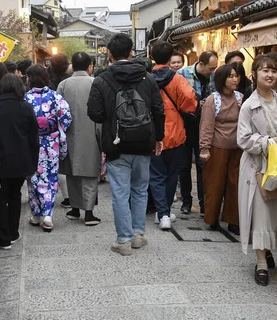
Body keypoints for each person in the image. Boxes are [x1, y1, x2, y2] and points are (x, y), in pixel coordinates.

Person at [87, 33, 165, 255]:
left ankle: (123, 241)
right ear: (131, 53)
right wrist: (159, 137)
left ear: (109, 53)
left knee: (120, 192)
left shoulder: (101, 80)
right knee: (140, 189)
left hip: (116, 144)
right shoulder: (147, 78)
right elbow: (159, 110)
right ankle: (138, 235)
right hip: (143, 142)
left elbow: (94, 113)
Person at [237, 55, 277, 287]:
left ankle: (267, 249)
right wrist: (269, 142)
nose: (270, 75)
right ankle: (261, 262)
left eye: (273, 70)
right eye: (264, 71)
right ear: (254, 75)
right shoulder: (248, 105)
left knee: (275, 212)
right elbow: (242, 139)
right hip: (256, 166)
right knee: (260, 213)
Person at [0, 74, 39, 249]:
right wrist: (33, 164)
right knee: (15, 196)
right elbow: (34, 139)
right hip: (21, 161)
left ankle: (4, 238)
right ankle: (14, 232)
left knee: (0, 198)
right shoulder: (26, 108)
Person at [150, 41, 196, 230]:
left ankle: (162, 213)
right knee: (171, 175)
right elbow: (190, 101)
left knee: (156, 176)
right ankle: (165, 212)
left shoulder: (146, 79)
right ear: (170, 59)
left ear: (153, 57)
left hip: (153, 134)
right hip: (176, 133)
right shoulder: (177, 79)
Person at [57, 52, 102, 226]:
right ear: (90, 66)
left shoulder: (63, 85)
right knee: (90, 172)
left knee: (72, 172)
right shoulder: (95, 83)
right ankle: (89, 213)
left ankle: (75, 209)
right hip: (92, 131)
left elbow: (57, 110)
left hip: (69, 133)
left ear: (72, 66)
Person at [25, 64, 72, 232]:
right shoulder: (54, 96)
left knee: (33, 177)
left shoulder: (25, 98)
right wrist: (54, 126)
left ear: (29, 78)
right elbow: (66, 117)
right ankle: (47, 215)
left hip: (31, 142)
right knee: (51, 177)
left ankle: (36, 214)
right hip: (51, 142)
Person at [199, 65, 242, 235]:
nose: (234, 79)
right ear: (221, 79)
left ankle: (233, 220)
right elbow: (207, 126)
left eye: (236, 76)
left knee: (235, 185)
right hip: (217, 148)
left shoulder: (240, 98)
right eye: (230, 76)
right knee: (215, 184)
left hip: (238, 148)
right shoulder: (213, 100)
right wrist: (204, 148)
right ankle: (212, 218)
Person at [177, 51, 218, 215]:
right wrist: (195, 105)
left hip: (205, 127)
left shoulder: (214, 77)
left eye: (214, 68)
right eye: (210, 68)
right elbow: (177, 99)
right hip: (186, 125)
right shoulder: (182, 74)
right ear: (200, 64)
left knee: (203, 166)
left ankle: (204, 204)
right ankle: (186, 202)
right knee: (184, 166)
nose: (212, 72)